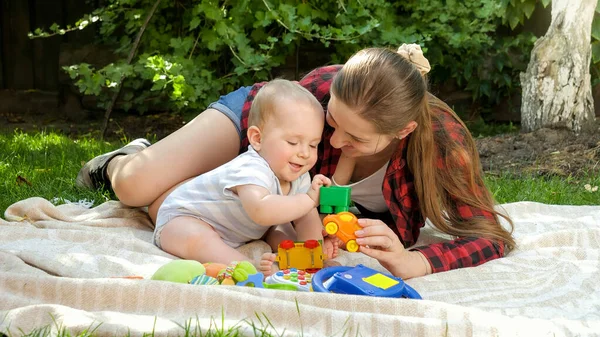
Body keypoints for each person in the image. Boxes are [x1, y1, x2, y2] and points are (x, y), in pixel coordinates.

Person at [76, 44, 515, 280]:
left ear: (402, 133)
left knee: (166, 210)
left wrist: (415, 261)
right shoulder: (324, 88)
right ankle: (122, 159)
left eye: (355, 137)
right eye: (332, 120)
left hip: (274, 182)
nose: (334, 139)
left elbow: (489, 234)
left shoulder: (442, 141)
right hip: (261, 125)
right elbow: (275, 155)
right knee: (136, 188)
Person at [151, 79, 337, 275]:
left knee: (283, 232)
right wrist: (308, 199)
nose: (304, 153)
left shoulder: (299, 175)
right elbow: (261, 210)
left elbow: (305, 218)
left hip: (238, 229)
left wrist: (315, 256)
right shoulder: (251, 167)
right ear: (257, 139)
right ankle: (250, 268)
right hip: (184, 219)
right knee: (198, 239)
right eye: (292, 142)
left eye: (313, 145)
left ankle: (300, 261)